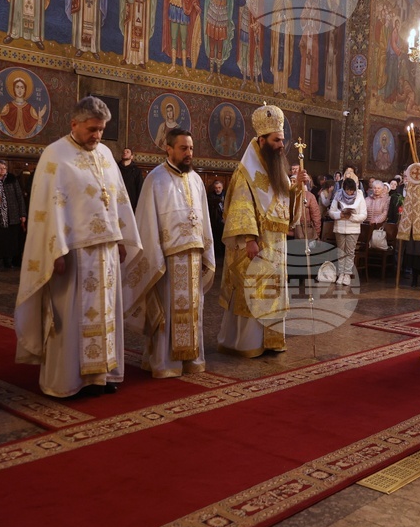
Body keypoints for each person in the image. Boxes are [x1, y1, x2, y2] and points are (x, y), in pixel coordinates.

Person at [15, 97, 142, 398]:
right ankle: (71, 380)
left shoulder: (106, 154)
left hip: (106, 252)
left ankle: (103, 374)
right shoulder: (55, 155)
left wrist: (120, 238)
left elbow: (118, 198)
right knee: (72, 316)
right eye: (92, 129)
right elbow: (47, 208)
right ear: (74, 124)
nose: (97, 136)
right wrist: (55, 251)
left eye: (101, 130)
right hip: (74, 253)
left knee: (107, 313)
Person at [217, 102, 304, 357]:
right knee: (253, 292)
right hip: (255, 244)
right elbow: (241, 207)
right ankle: (248, 343)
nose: (281, 145)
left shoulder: (277, 169)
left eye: (282, 140)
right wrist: (249, 239)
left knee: (272, 292)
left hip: (276, 245)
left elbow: (285, 208)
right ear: (262, 140)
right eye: (277, 140)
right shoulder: (246, 172)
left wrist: (297, 189)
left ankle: (271, 341)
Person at [130, 128, 215, 378]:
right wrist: (154, 256)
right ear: (169, 149)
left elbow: (204, 218)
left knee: (193, 311)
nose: (189, 153)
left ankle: (191, 359)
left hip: (194, 257)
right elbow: (147, 222)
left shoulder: (196, 179)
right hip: (167, 259)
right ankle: (165, 362)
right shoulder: (155, 179)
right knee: (168, 312)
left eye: (191, 148)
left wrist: (206, 250)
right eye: (183, 148)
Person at [0, 160, 27, 269]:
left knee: (11, 239)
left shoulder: (12, 179)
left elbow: (19, 196)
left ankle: (9, 261)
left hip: (12, 214)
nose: (2, 170)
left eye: (4, 168)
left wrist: (22, 214)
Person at [328, 175, 367, 286]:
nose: (350, 192)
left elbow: (364, 215)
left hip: (353, 228)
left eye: (351, 190)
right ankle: (341, 273)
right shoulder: (338, 194)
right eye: (347, 190)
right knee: (341, 251)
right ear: (344, 189)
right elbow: (331, 212)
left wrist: (351, 217)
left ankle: (347, 274)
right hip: (340, 227)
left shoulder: (359, 196)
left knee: (350, 252)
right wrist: (339, 214)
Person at [292, 171, 321, 245]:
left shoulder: (309, 196)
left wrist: (316, 234)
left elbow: (316, 216)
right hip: (289, 233)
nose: (292, 183)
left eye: (294, 181)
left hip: (304, 232)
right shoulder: (286, 196)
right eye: (291, 181)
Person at [207, 178, 225, 259]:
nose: (217, 189)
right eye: (216, 188)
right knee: (216, 239)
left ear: (222, 187)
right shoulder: (211, 196)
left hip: (225, 221)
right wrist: (219, 200)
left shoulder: (226, 195)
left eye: (219, 187)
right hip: (216, 221)